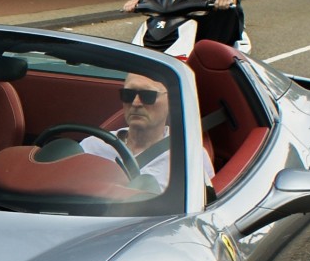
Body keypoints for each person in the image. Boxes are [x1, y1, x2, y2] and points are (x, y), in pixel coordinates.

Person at [78, 73, 215, 190]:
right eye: (128, 94)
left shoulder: (189, 155)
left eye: (148, 95)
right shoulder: (92, 145)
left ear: (172, 101)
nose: (136, 103)